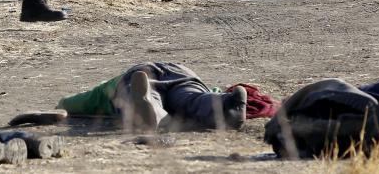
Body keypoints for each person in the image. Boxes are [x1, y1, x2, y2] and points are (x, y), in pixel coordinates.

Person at [53, 62, 250, 133]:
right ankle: (226, 106)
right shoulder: (103, 88)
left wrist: (63, 105)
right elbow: (212, 89)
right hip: (182, 72)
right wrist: (218, 94)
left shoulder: (101, 91)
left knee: (138, 95)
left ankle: (156, 113)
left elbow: (67, 103)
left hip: (139, 74)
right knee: (194, 99)